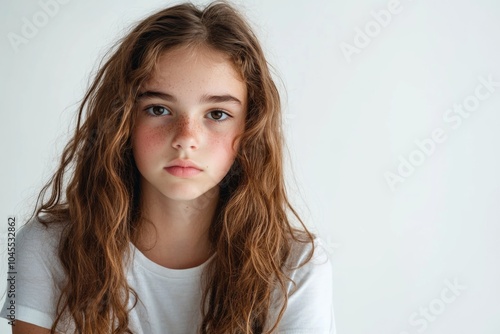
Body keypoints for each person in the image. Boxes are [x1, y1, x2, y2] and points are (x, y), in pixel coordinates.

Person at [1, 2, 335, 333]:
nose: (186, 139)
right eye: (159, 109)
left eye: (217, 114)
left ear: (249, 129)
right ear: (122, 121)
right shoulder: (44, 247)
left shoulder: (297, 265)